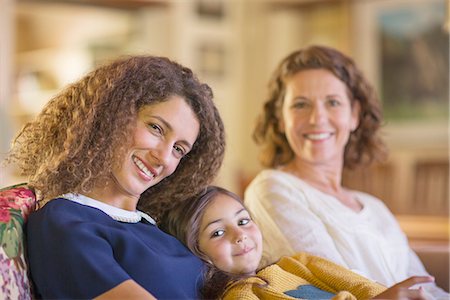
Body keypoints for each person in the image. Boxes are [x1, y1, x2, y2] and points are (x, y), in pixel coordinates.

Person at [4, 55, 225, 299]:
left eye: (178, 149)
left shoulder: (157, 225)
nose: (163, 157)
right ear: (113, 115)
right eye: (156, 128)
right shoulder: (66, 220)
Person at [243, 45, 449, 299]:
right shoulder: (272, 189)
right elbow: (334, 284)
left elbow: (426, 287)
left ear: (354, 115)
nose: (317, 118)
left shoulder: (376, 208)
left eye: (332, 102)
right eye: (300, 104)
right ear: (281, 119)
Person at [162, 185, 434, 300]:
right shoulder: (240, 295)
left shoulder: (299, 263)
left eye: (243, 221)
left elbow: (362, 286)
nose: (240, 234)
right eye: (218, 233)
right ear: (194, 251)